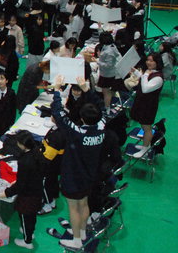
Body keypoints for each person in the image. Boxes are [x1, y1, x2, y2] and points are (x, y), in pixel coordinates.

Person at [51, 77, 106, 250]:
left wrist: (57, 92)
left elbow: (58, 114)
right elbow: (102, 107)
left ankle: (76, 239)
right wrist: (87, 90)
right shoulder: (102, 127)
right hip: (89, 174)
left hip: (73, 175)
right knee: (84, 204)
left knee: (73, 207)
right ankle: (82, 232)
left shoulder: (77, 132)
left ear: (81, 118)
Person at [1, 130, 45, 250]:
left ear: (22, 145)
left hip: (27, 195)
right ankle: (29, 232)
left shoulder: (25, 161)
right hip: (36, 191)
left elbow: (21, 184)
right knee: (32, 216)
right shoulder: (37, 152)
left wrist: (7, 192)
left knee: (26, 216)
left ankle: (27, 240)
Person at [129, 53, 164, 158]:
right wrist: (136, 72)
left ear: (157, 63)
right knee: (143, 126)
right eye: (148, 60)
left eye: (152, 60)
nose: (148, 62)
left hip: (148, 106)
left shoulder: (158, 78)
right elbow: (145, 80)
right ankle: (146, 145)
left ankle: (145, 149)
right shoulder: (151, 72)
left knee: (147, 127)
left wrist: (144, 75)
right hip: (142, 103)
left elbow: (145, 89)